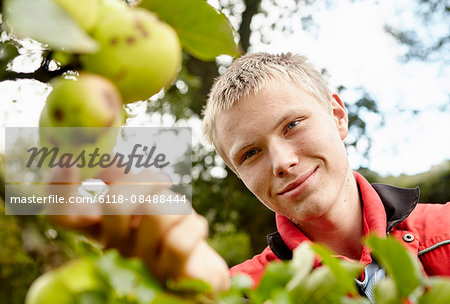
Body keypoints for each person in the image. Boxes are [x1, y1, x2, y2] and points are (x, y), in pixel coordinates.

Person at [49, 52, 450, 298]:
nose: (281, 161)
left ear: (338, 116)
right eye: (250, 153)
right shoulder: (242, 292)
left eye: (292, 125)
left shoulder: (445, 232)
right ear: (238, 174)